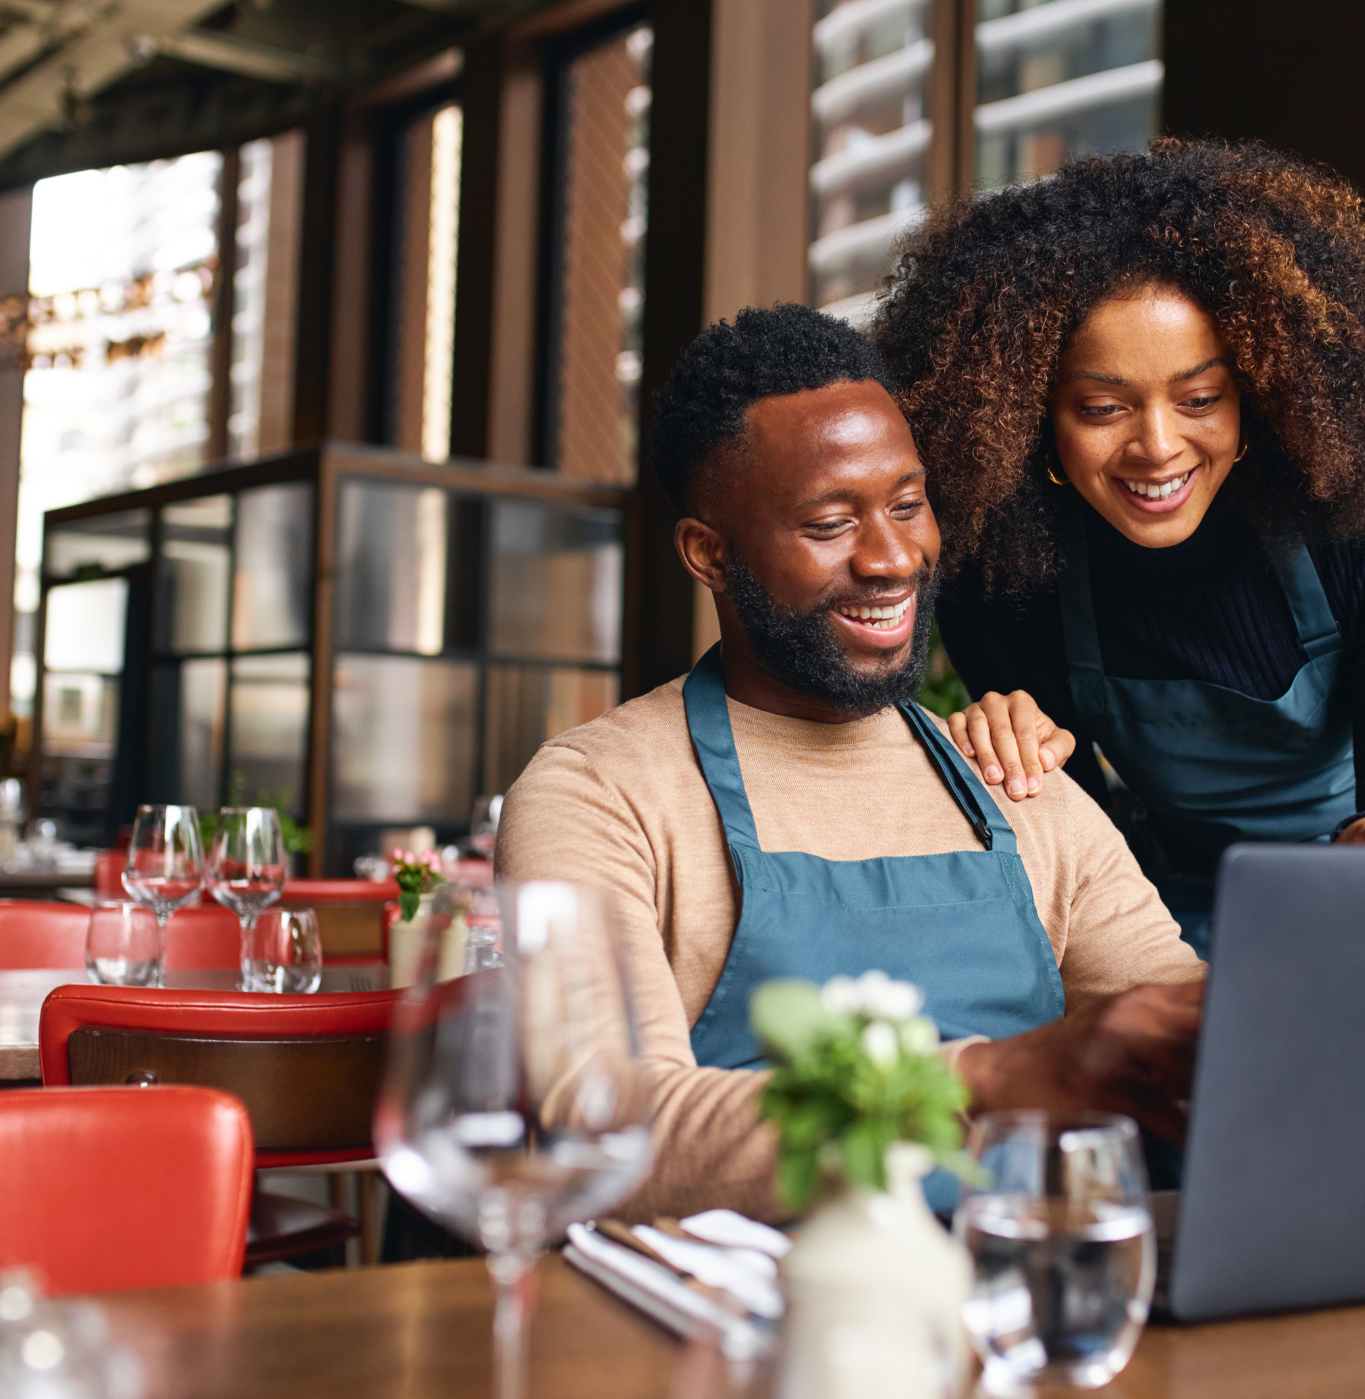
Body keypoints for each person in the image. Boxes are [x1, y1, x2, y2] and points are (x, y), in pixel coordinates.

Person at [495, 304, 1203, 1222]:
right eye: (831, 523)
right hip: (737, 1339)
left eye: (908, 504)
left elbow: (1183, 1036)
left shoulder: (1015, 775)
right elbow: (604, 1123)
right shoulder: (598, 794)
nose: (894, 557)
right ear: (709, 555)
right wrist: (992, 1077)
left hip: (1030, 1311)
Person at [873, 139, 1365, 956]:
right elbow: (1083, 851)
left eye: (1201, 397)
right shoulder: (1002, 570)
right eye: (1102, 409)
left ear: (1259, 391)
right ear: (1030, 420)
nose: (1159, 448)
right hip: (1188, 900)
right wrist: (1011, 758)